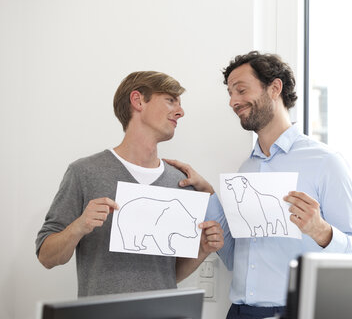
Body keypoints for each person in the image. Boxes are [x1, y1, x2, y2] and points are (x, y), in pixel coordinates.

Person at [167, 51, 352, 319]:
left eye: (241, 90)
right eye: (230, 93)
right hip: (240, 313)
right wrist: (206, 192)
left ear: (275, 88)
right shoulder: (246, 170)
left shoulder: (325, 162)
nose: (233, 102)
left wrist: (322, 232)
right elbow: (236, 259)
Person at [35, 71, 224, 297]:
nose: (180, 112)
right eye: (170, 100)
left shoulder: (180, 183)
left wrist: (202, 250)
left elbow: (167, 276)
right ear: (138, 101)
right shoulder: (84, 172)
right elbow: (46, 257)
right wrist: (79, 226)